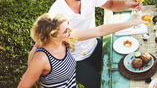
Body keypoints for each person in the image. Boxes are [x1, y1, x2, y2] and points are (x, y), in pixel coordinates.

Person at [48, 0, 143, 88]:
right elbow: (97, 31)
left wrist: (129, 3)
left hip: (95, 46)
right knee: (104, 85)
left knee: (127, 63)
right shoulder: (56, 14)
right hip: (76, 60)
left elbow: (111, 4)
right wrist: (132, 23)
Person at [18, 12, 149, 88]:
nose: (70, 30)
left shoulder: (65, 40)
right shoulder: (41, 58)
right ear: (51, 36)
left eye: (68, 25)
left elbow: (99, 30)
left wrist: (134, 22)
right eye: (65, 30)